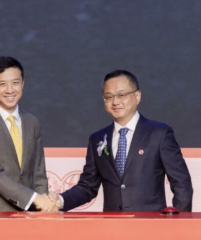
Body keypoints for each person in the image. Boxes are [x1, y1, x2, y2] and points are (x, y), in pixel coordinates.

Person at [50, 70, 193, 212]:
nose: (115, 102)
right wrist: (58, 201)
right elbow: (87, 187)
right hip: (112, 224)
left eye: (121, 95)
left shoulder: (159, 133)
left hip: (150, 223)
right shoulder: (97, 139)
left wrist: (180, 221)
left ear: (137, 96)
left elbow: (181, 184)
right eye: (108, 97)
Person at [0, 56, 55, 211]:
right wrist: (34, 199)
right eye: (2, 84)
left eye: (15, 83)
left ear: (23, 83)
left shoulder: (32, 122)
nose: (10, 90)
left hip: (27, 214)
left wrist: (44, 206)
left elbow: (38, 173)